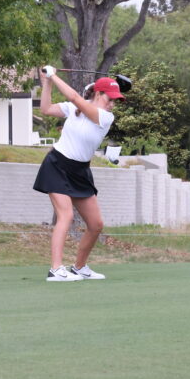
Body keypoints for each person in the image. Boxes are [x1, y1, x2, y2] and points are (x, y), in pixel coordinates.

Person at [33, 68, 124, 282]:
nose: (112, 103)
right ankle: (56, 269)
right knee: (66, 216)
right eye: (110, 98)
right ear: (98, 94)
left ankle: (79, 267)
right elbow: (45, 109)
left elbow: (75, 96)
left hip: (80, 171)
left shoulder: (105, 117)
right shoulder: (72, 109)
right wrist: (47, 82)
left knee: (96, 224)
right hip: (57, 165)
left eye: (115, 100)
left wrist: (53, 75)